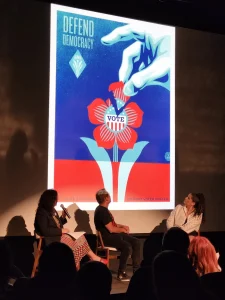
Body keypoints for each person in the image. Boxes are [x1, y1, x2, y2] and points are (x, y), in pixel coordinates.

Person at [34, 189, 107, 270]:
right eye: (56, 199)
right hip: (49, 239)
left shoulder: (52, 210)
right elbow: (45, 231)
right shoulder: (41, 212)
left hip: (57, 236)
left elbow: (56, 225)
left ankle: (78, 265)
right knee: (77, 242)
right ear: (51, 199)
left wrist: (63, 217)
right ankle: (88, 260)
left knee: (79, 239)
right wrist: (61, 231)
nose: (57, 200)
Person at [94, 188, 140, 281]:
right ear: (106, 198)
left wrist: (122, 226)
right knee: (126, 246)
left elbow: (112, 224)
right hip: (107, 238)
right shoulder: (101, 211)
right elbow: (111, 229)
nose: (110, 197)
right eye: (109, 196)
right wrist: (122, 230)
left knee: (136, 242)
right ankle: (121, 273)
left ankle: (136, 270)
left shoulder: (104, 210)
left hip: (113, 236)